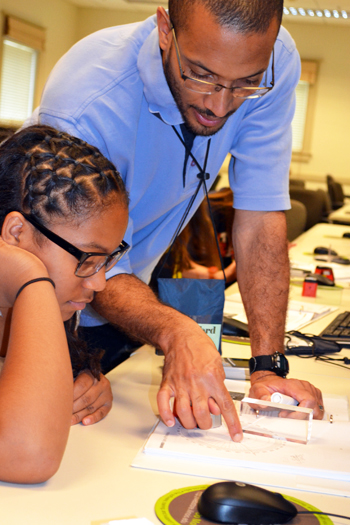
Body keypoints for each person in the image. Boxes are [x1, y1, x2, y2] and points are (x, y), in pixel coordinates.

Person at [29, 0, 324, 441]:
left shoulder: (275, 60)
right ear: (165, 30)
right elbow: (84, 264)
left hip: (128, 300)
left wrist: (267, 367)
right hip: (53, 307)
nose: (220, 105)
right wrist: (174, 330)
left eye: (246, 83)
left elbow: (261, 214)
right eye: (201, 74)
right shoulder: (88, 102)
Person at [0, 125, 129, 483]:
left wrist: (82, 384)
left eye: (108, 259)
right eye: (87, 258)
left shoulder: (42, 305)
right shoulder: (34, 286)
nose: (99, 282)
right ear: (16, 233)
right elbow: (28, 455)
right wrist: (30, 277)